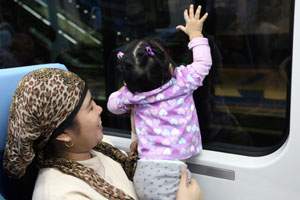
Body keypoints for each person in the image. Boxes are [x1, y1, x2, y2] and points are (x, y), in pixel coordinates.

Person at [3, 67, 203, 200]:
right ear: (64, 134)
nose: (100, 110)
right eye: (90, 108)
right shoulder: (61, 194)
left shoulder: (103, 150)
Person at [107, 4, 211, 200]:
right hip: (171, 173)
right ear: (171, 68)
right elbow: (203, 63)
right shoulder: (182, 82)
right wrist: (195, 34)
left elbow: (112, 105)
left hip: (144, 170)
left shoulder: (132, 95)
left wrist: (126, 89)